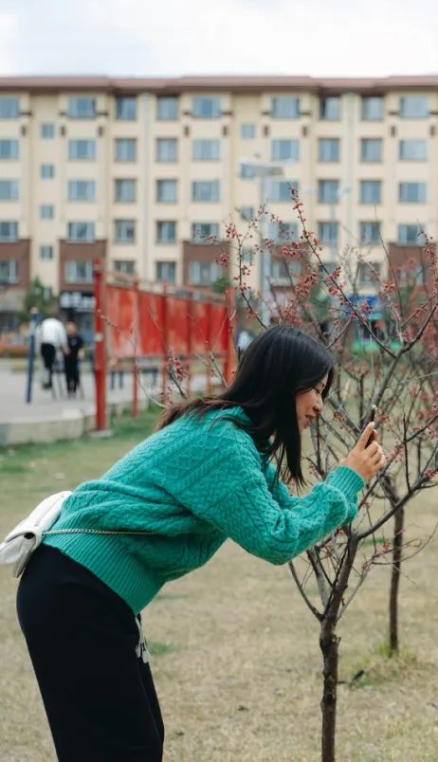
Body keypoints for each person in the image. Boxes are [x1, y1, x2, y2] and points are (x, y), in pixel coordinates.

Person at [15, 325, 385, 761]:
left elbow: (288, 516)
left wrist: (349, 481)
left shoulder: (239, 440)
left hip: (84, 592)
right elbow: (277, 538)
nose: (319, 405)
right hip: (74, 593)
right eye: (315, 390)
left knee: (137, 742)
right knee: (122, 748)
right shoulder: (223, 441)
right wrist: (347, 479)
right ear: (282, 381)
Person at [36, 315, 68, 390]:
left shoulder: (44, 322)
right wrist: (66, 349)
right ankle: (48, 381)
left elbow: (38, 333)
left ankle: (45, 381)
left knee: (44, 364)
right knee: (49, 364)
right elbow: (62, 338)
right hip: (51, 344)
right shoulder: (58, 324)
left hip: (43, 344)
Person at [63, 320, 84, 397]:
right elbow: (63, 346)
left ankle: (74, 390)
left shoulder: (78, 337)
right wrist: (64, 348)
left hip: (75, 359)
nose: (70, 329)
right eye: (69, 328)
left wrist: (81, 353)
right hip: (67, 359)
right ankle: (69, 390)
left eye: (72, 328)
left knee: (75, 375)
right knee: (67, 375)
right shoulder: (65, 337)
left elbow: (81, 347)